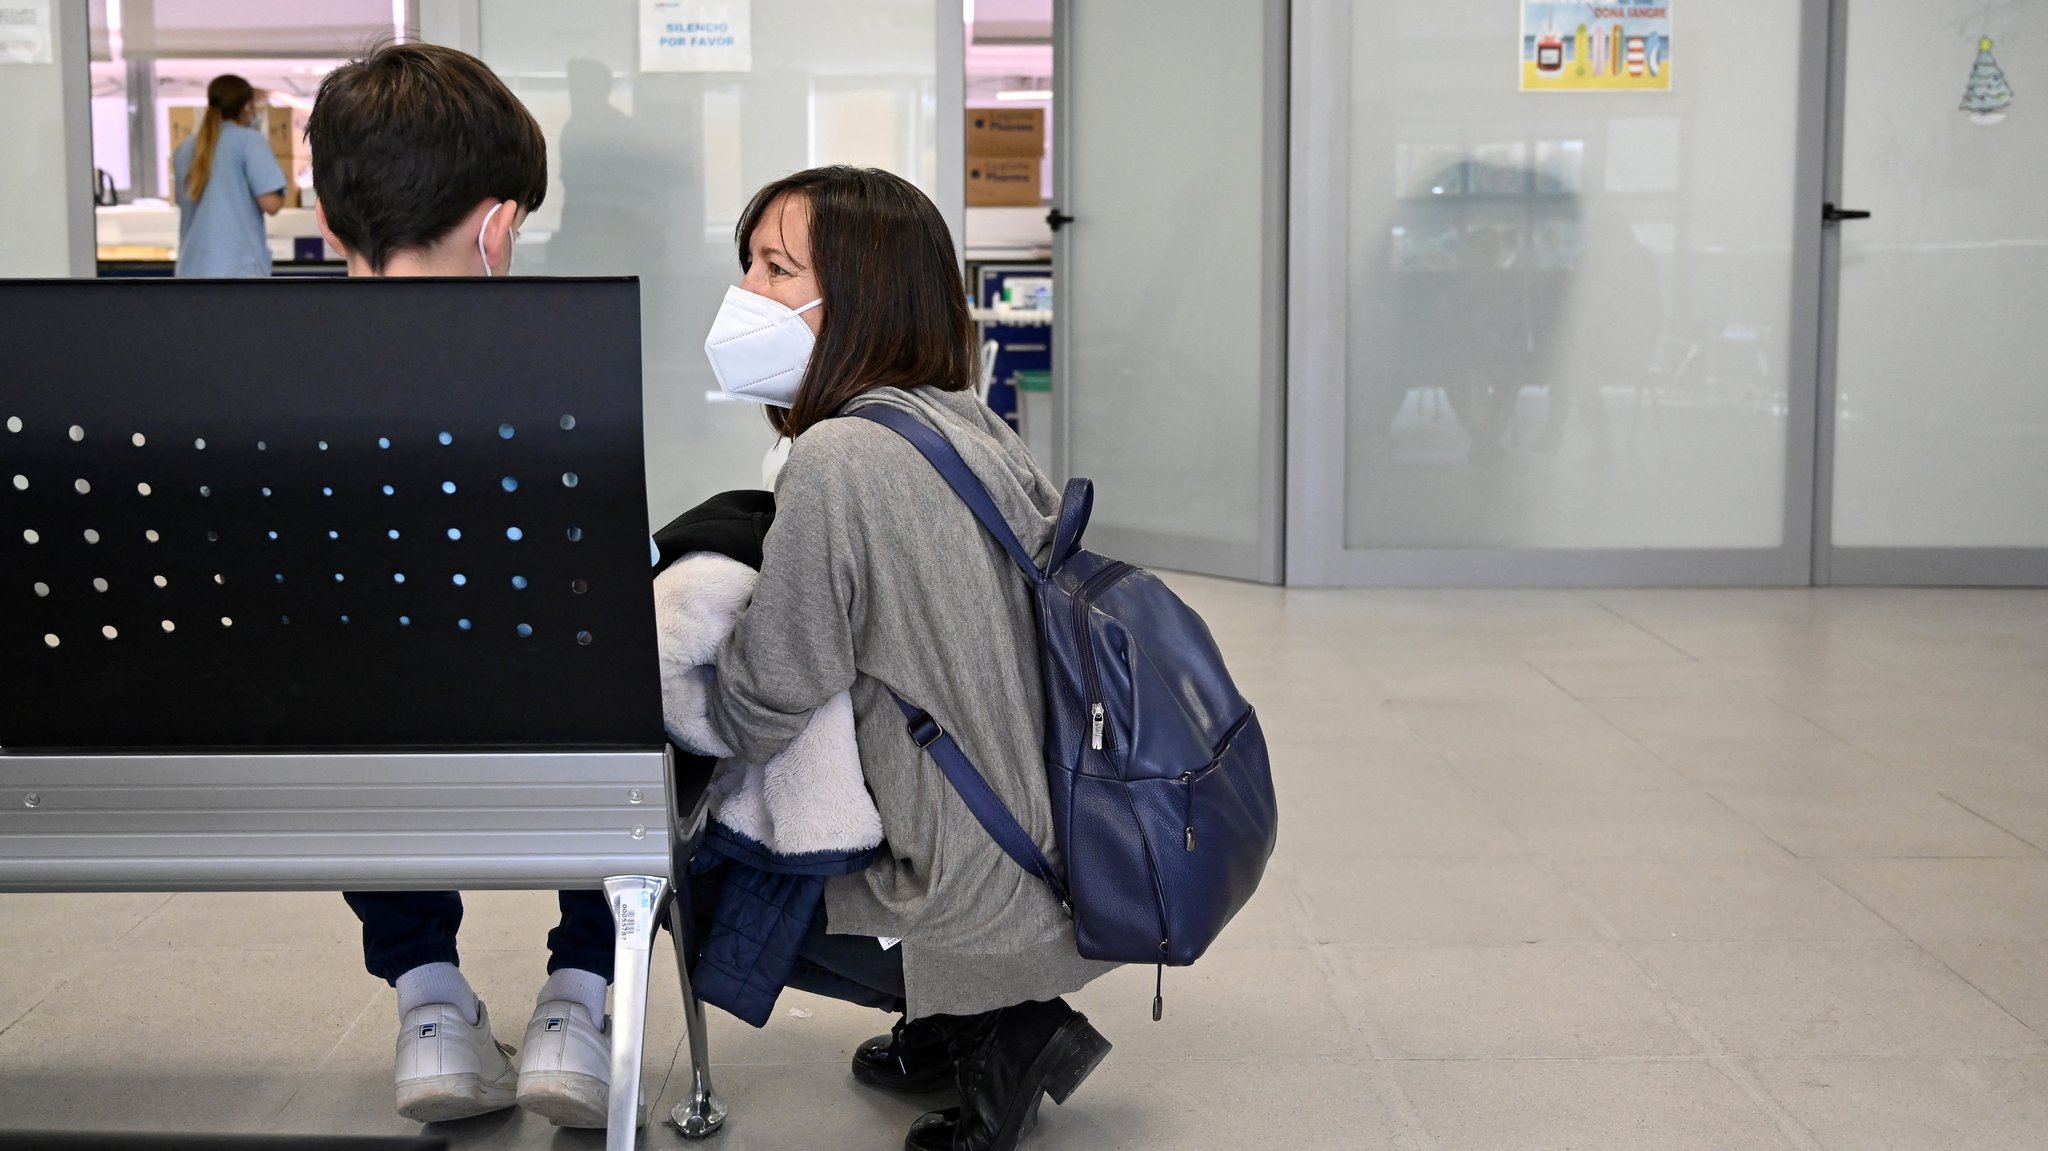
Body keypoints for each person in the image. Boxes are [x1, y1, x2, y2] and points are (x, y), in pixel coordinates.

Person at [699, 165, 1116, 1151]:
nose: (745, 294)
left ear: (860, 297)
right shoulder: (961, 418)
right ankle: (951, 1016)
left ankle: (1002, 1023)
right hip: (1066, 850)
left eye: (775, 268)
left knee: (681, 868)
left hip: (977, 886)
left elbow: (767, 698)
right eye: (748, 263)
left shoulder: (838, 457)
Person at [304, 43, 617, 1129]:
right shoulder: (556, 383)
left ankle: (429, 1000)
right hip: (547, 733)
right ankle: (581, 994)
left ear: (327, 215)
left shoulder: (262, 385)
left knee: (348, 676)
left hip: (328, 746)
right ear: (494, 227)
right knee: (670, 658)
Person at [171, 75, 287, 277]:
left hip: (190, 273)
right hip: (237, 273)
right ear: (248, 107)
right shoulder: (249, 142)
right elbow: (271, 204)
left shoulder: (185, 149)